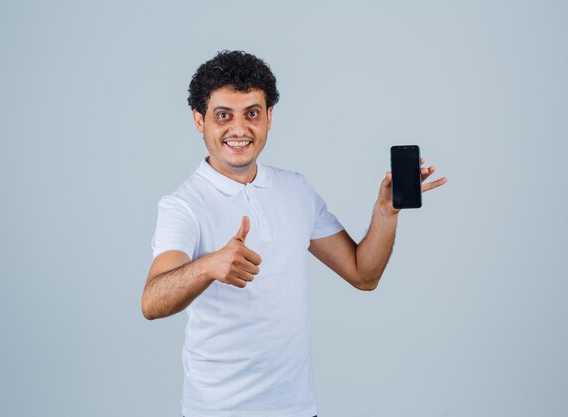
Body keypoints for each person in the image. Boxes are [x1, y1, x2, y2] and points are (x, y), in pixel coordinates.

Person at [141, 50, 446, 417]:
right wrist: (208, 266)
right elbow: (152, 302)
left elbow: (363, 274)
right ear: (198, 120)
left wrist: (385, 213)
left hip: (297, 409)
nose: (239, 129)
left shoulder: (295, 189)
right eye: (223, 116)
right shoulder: (183, 205)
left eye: (252, 113)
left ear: (269, 117)